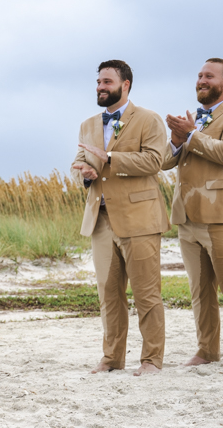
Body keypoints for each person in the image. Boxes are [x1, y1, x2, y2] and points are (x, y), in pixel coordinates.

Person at [72, 60, 169, 376]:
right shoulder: (88, 125)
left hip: (140, 219)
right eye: (98, 82)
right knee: (108, 295)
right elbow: (77, 163)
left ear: (125, 85)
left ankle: (151, 359)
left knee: (146, 294)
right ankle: (112, 358)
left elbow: (154, 161)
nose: (100, 87)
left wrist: (111, 157)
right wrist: (85, 174)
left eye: (107, 82)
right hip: (100, 221)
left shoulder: (149, 119)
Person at [162, 59, 223, 368]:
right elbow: (164, 162)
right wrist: (177, 140)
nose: (202, 80)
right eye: (200, 75)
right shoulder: (193, 121)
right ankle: (207, 351)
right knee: (200, 291)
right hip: (187, 218)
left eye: (209, 76)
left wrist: (191, 135)